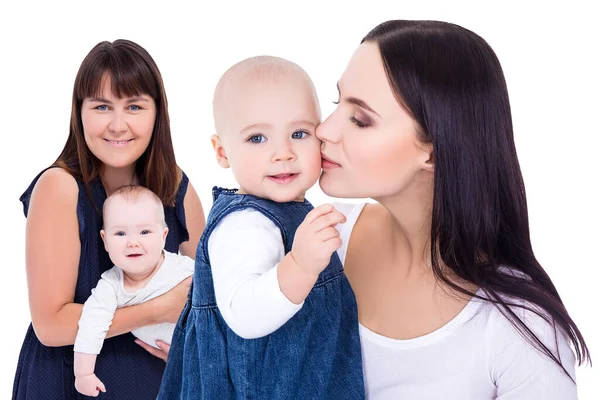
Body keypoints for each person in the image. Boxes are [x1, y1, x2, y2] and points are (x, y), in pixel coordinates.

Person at [316, 20, 591, 399]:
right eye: (337, 103)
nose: (324, 130)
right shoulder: (321, 237)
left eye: (360, 120)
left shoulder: (518, 323)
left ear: (432, 149)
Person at [159, 56, 364, 399]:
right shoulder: (243, 224)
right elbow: (246, 315)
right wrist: (300, 265)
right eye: (257, 138)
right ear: (222, 152)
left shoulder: (293, 211)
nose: (282, 153)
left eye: (299, 134)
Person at [14, 39, 205, 400]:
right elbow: (50, 325)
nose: (118, 125)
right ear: (80, 112)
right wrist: (155, 311)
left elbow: (206, 302)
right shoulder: (59, 187)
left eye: (134, 106)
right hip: (67, 384)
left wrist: (190, 352)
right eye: (102, 106)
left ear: (157, 112)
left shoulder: (177, 189)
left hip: (159, 385)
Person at [74, 185, 195, 397]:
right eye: (120, 233)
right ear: (105, 240)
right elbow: (91, 326)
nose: (132, 242)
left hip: (214, 348)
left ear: (163, 236)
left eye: (145, 232)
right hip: (181, 367)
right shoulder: (110, 287)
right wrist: (84, 373)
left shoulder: (183, 269)